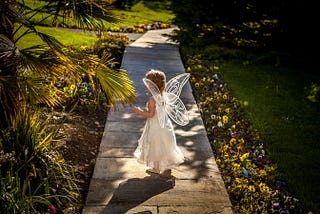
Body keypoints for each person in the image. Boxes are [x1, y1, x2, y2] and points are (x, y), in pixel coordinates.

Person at [132, 69, 188, 176]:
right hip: (165, 126)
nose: (146, 85)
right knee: (165, 145)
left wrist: (139, 112)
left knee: (156, 146)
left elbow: (151, 115)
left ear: (152, 85)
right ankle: (167, 166)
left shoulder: (153, 100)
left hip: (156, 127)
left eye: (148, 83)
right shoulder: (164, 96)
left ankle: (156, 168)